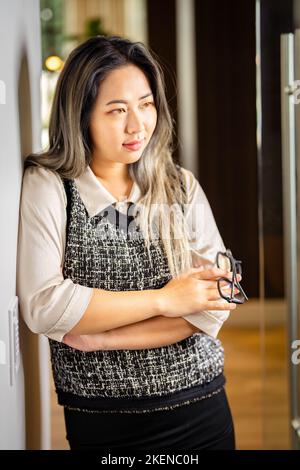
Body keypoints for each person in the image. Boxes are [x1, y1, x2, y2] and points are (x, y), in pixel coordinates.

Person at [17, 35, 241, 450]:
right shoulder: (51, 186)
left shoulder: (179, 185)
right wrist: (166, 301)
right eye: (117, 110)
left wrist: (102, 337)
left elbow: (217, 302)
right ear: (81, 115)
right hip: (104, 422)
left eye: (146, 104)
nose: (137, 125)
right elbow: (45, 306)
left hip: (201, 404)